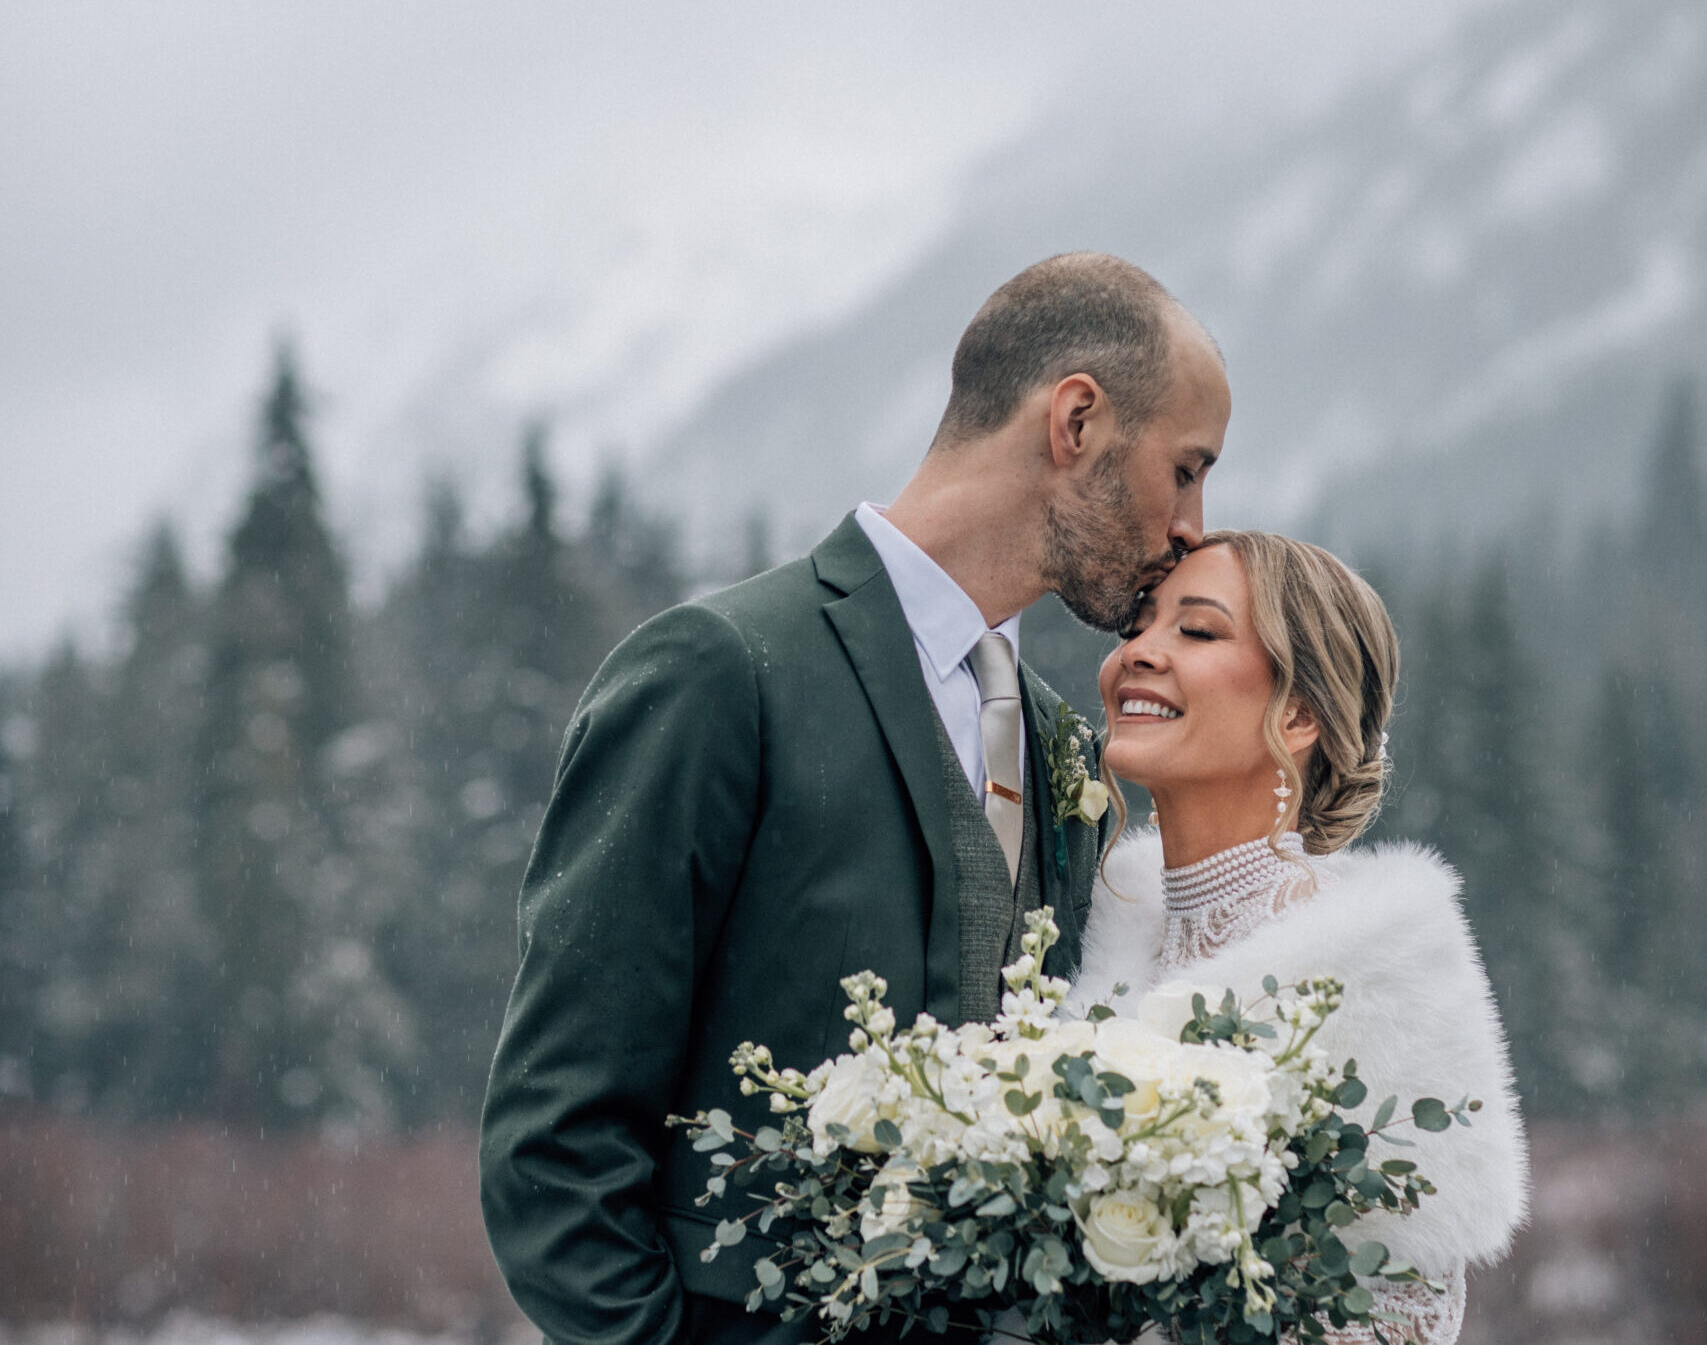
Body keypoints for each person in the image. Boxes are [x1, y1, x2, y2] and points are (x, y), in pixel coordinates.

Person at [479, 252, 1234, 1344]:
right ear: (1076, 421)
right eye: (1187, 469)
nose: (1192, 529)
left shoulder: (1070, 751)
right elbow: (557, 1148)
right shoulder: (720, 673)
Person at [1072, 531, 1529, 1344]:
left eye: (1196, 630)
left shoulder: (1368, 974)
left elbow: (1400, 1316)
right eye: (1138, 625)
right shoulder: (1095, 926)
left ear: (1298, 712)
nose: (1139, 651)